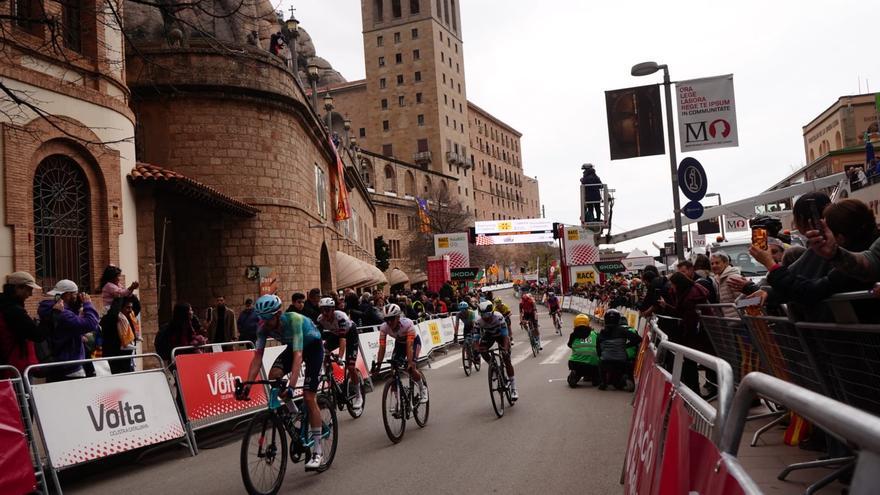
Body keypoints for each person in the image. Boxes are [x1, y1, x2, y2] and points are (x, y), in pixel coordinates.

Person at [237, 294, 326, 470]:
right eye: (261, 318)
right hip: (294, 347)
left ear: (278, 314)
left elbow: (298, 356)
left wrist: (292, 387)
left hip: (313, 348)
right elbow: (257, 358)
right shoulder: (262, 327)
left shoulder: (294, 320)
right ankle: (293, 411)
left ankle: (318, 451)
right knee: (274, 375)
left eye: (267, 319)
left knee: (309, 397)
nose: (264, 322)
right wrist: (247, 384)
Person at [37, 280, 100, 382]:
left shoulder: (53, 310)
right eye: (75, 294)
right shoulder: (63, 314)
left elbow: (71, 324)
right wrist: (88, 304)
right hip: (69, 368)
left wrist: (77, 304)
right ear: (68, 295)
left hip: (56, 365)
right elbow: (91, 323)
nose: (77, 296)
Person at [371, 303, 428, 402]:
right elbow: (382, 347)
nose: (389, 322)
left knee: (411, 368)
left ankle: (422, 389)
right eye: (386, 319)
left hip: (413, 342)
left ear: (398, 317)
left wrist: (410, 362)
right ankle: (399, 399)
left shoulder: (407, 324)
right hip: (400, 344)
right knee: (393, 369)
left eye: (391, 318)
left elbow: (409, 346)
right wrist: (378, 365)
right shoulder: (384, 328)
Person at [316, 297, 363, 409]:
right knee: (324, 350)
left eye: (327, 310)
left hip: (350, 334)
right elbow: (317, 338)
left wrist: (340, 357)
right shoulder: (320, 319)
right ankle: (329, 374)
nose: (324, 313)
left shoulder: (340, 316)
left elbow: (343, 339)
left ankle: (358, 395)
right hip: (336, 335)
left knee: (350, 367)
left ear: (333, 309)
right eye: (322, 310)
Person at [0, 272, 47, 376]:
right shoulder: (13, 310)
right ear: (17, 288)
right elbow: (37, 335)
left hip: (10, 366)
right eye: (29, 290)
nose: (30, 294)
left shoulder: (5, 305)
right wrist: (50, 317)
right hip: (15, 368)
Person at [475, 301, 518, 400]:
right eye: (483, 315)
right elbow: (475, 338)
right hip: (489, 335)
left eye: (488, 314)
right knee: (482, 350)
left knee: (506, 359)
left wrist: (505, 349)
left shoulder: (498, 317)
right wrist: (477, 349)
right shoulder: (478, 321)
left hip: (501, 335)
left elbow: (505, 337)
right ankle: (493, 366)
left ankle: (513, 388)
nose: (485, 317)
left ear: (492, 312)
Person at [596, 309, 641, 391]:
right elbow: (638, 339)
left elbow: (598, 351)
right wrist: (626, 345)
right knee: (629, 363)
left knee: (600, 361)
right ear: (618, 319)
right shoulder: (623, 331)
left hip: (606, 362)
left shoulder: (601, 333)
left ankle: (603, 383)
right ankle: (628, 379)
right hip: (622, 362)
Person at [566, 314, 599, 387]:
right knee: (597, 379)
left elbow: (569, 345)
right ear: (587, 323)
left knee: (578, 368)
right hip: (592, 365)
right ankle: (593, 377)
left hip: (575, 363)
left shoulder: (573, 335)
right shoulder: (594, 334)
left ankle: (575, 375)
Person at [709, 252, 741, 318]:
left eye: (717, 263)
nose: (714, 266)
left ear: (726, 263)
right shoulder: (718, 279)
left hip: (739, 321)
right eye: (712, 264)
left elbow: (743, 300)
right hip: (730, 321)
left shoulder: (733, 278)